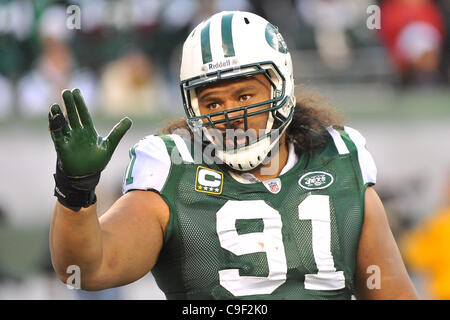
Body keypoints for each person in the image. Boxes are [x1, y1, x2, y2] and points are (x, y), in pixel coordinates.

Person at [48, 11, 418, 300]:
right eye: (212, 102)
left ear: (281, 85)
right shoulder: (171, 170)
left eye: (244, 96)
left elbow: (393, 293)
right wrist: (75, 192)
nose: (231, 114)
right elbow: (88, 269)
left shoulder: (339, 160)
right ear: (192, 106)